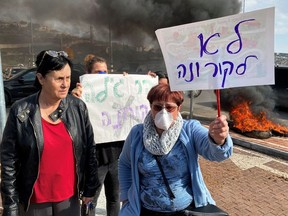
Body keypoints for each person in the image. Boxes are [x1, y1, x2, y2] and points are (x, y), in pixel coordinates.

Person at [0, 50, 100, 216]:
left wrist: (90, 188)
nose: (65, 84)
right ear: (40, 78)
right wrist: (11, 206)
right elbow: (8, 162)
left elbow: (89, 149)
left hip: (69, 200)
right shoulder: (21, 111)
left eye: (68, 78)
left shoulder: (78, 107)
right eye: (59, 78)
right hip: (33, 202)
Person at [118, 84, 233, 216]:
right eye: (157, 107)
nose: (163, 112)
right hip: (146, 210)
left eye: (169, 107)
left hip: (184, 210)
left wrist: (218, 139)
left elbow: (215, 153)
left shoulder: (190, 129)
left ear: (179, 108)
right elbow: (124, 163)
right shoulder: (137, 133)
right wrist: (126, 196)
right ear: (150, 107)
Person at [72, 55, 122, 216]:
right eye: (97, 72)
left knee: (115, 198)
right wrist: (73, 100)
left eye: (105, 72)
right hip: (95, 159)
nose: (102, 75)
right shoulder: (80, 95)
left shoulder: (116, 90)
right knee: (90, 199)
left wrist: (131, 85)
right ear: (88, 74)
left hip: (116, 155)